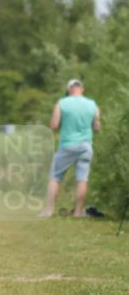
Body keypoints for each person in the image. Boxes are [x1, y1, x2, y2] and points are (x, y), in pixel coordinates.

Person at [40, 79, 101, 218]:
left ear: (69, 89)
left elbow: (54, 125)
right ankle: (78, 212)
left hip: (68, 145)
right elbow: (97, 127)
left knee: (55, 177)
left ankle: (48, 211)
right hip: (86, 146)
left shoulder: (62, 103)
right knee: (82, 179)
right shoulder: (92, 105)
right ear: (82, 89)